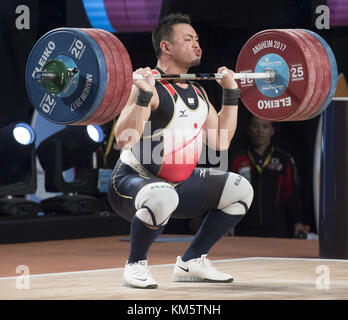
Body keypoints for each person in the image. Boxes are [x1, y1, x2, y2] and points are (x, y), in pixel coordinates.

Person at [107, 13, 254, 289]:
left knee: (240, 190)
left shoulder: (198, 93)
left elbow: (221, 141)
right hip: (130, 182)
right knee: (162, 194)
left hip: (177, 187)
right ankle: (135, 264)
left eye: (197, 39)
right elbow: (124, 139)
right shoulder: (147, 85)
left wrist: (231, 93)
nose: (197, 45)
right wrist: (142, 96)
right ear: (166, 46)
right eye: (188, 39)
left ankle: (192, 261)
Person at [229, 115, 307, 238]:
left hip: (277, 229)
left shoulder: (284, 160)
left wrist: (298, 222)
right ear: (249, 129)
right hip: (244, 229)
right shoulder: (237, 159)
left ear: (272, 131)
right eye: (255, 126)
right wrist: (228, 222)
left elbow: (292, 194)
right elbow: (229, 195)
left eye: (265, 126)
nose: (260, 130)